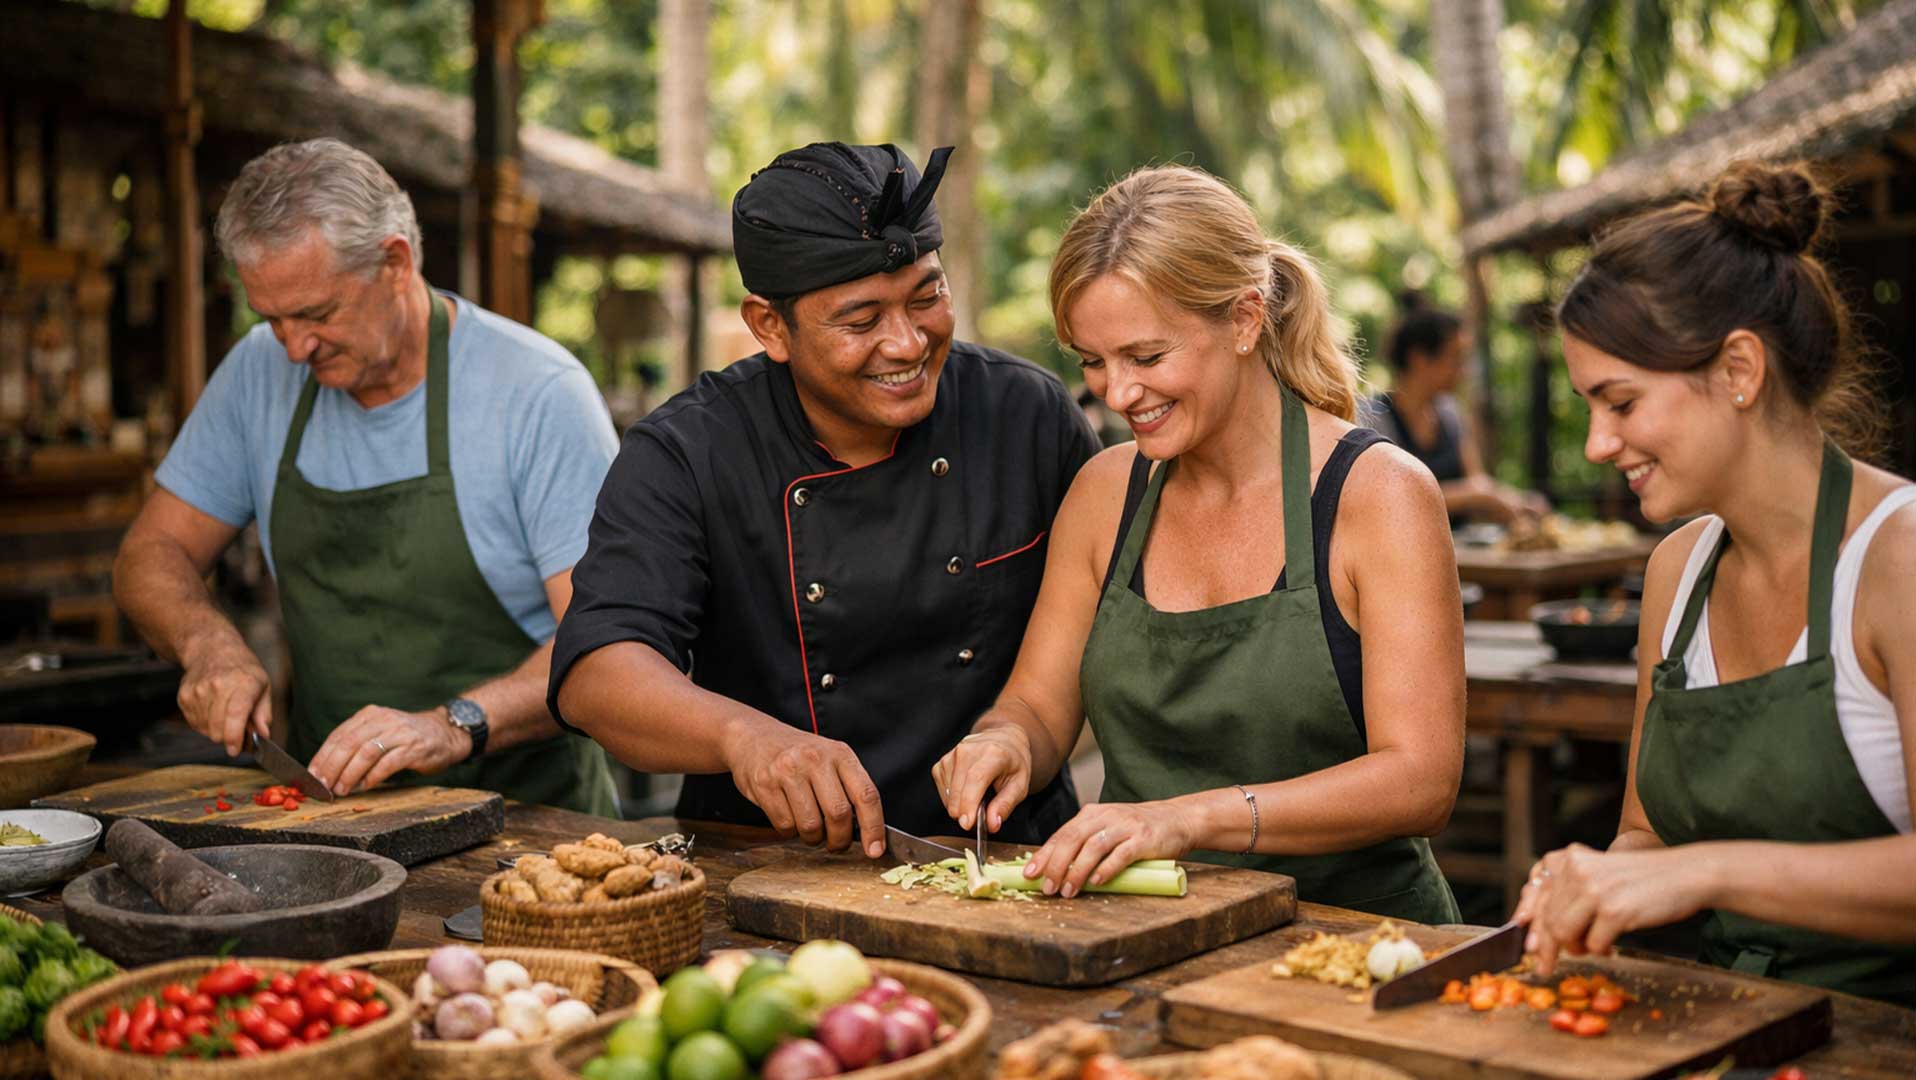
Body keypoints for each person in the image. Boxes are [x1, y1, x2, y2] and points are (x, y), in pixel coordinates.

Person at [933, 165, 1464, 922]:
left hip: (1359, 944)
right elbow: (1040, 707)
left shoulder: (1378, 495)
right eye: (1092, 361)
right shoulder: (1104, 493)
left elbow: (1421, 781)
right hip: (1144, 936)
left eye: (1146, 358)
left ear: (1246, 320)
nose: (1115, 395)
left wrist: (1184, 819)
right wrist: (1006, 741)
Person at [549, 143, 1098, 856]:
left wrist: (1024, 733)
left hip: (1006, 862)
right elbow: (598, 670)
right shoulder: (689, 451)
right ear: (769, 326)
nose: (906, 342)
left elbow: (1118, 626)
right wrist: (743, 737)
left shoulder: (1027, 415)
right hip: (766, 867)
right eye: (861, 320)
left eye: (927, 297)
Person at [1511, 160, 1916, 1007]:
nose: (1595, 443)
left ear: (1738, 369)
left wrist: (1705, 875)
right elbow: (1644, 831)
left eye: (1619, 403)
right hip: (1716, 1025)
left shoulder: (1900, 557)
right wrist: (1593, 879)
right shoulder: (1677, 570)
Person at [113, 138, 619, 814]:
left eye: (318, 315)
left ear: (395, 263)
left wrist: (452, 724)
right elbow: (149, 555)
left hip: (531, 825)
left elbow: (605, 648)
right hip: (332, 818)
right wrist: (207, 644)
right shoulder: (258, 372)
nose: (294, 347)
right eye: (272, 319)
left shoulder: (537, 392)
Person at [1363, 293, 1547, 524]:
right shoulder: (1374, 419)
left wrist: (1519, 502)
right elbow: (1387, 496)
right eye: (1456, 358)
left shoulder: (1449, 413)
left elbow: (1476, 481)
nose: (1464, 372)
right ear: (1419, 359)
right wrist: (1475, 496)